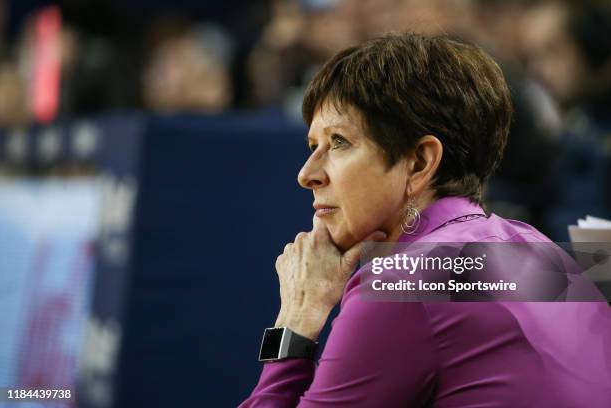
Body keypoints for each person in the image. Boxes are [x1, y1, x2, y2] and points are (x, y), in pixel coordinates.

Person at [239, 33, 611, 407]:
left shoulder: (404, 284)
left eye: (338, 142)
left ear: (419, 162)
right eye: (312, 146)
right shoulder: (548, 254)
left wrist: (296, 320)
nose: (307, 174)